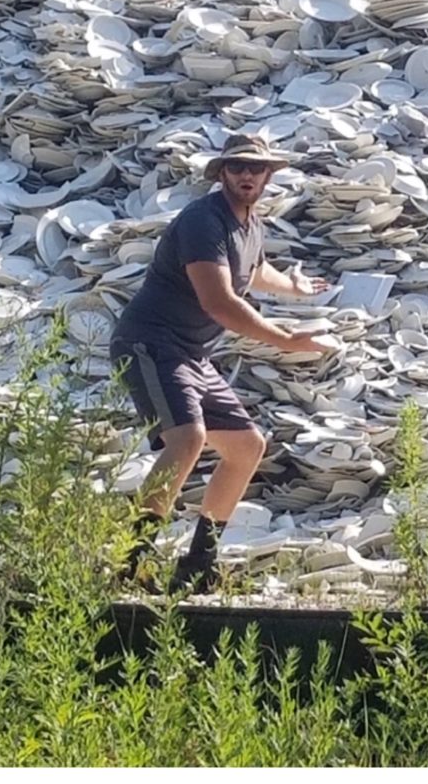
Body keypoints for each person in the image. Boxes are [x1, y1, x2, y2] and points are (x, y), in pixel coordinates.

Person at [110, 133, 335, 592]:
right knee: (186, 438)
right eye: (238, 167)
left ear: (269, 174)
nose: (247, 175)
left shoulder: (251, 225)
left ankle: (199, 564)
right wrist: (287, 339)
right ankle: (130, 563)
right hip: (150, 343)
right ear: (223, 173)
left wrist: (292, 288)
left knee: (247, 446)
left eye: (256, 168)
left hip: (193, 354)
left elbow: (254, 271)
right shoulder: (202, 221)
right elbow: (219, 302)